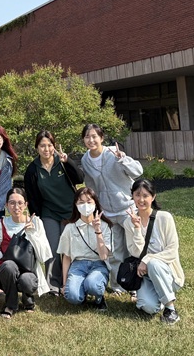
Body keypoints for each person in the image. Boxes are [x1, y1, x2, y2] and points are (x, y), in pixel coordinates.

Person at [79, 123, 143, 293]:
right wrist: (95, 208)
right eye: (87, 137)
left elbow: (137, 171)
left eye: (94, 136)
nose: (91, 140)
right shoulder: (85, 160)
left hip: (127, 208)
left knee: (134, 247)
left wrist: (123, 159)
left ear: (101, 138)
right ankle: (118, 285)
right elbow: (91, 186)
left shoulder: (113, 153)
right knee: (115, 250)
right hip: (107, 211)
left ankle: (136, 284)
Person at [23, 129, 84, 296]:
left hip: (70, 211)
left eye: (50, 145)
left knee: (69, 248)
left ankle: (70, 281)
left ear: (54, 146)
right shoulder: (33, 169)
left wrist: (68, 161)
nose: (46, 149)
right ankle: (53, 284)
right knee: (52, 248)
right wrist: (36, 217)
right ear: (37, 148)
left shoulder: (62, 162)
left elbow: (80, 178)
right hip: (49, 212)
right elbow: (32, 196)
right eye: (42, 146)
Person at [123, 178, 184, 324]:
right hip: (145, 275)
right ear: (132, 196)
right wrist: (137, 229)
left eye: (145, 195)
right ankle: (161, 296)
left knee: (154, 263)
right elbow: (135, 253)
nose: (141, 199)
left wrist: (147, 259)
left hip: (168, 273)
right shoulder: (128, 222)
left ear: (153, 197)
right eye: (137, 195)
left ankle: (170, 309)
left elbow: (172, 250)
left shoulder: (165, 218)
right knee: (148, 307)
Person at [0, 187, 52, 319]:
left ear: (26, 205)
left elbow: (43, 256)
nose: (16, 207)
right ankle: (10, 305)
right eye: (12, 203)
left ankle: (28, 299)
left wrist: (32, 233)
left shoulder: (36, 223)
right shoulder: (0, 224)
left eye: (20, 203)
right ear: (6, 205)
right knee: (9, 266)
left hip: (28, 270)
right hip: (6, 271)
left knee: (26, 280)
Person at [57, 186, 114, 310]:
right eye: (81, 202)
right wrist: (65, 284)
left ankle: (99, 298)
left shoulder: (104, 226)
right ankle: (81, 293)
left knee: (93, 285)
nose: (85, 206)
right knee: (72, 296)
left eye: (89, 202)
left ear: (95, 204)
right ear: (76, 205)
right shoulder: (70, 228)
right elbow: (66, 257)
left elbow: (103, 256)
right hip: (78, 265)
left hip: (98, 264)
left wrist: (98, 231)